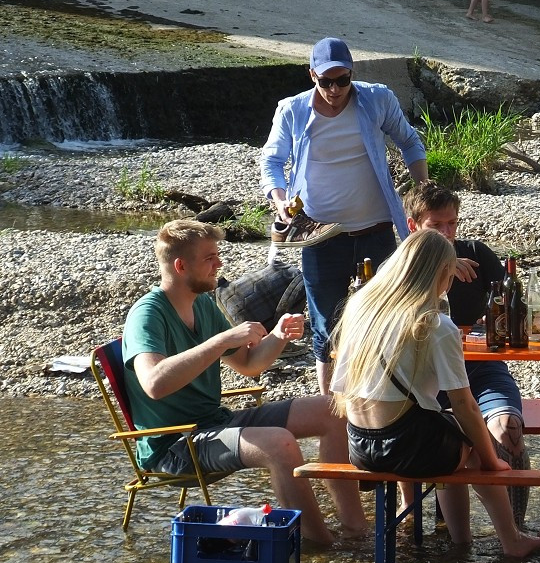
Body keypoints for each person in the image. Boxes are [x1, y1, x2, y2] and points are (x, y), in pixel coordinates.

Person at [122, 220, 367, 545]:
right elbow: (154, 383)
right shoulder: (148, 314)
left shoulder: (203, 304)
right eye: (210, 257)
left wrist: (278, 334)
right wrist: (220, 341)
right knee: (279, 444)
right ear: (181, 266)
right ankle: (321, 545)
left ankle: (356, 532)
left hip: (214, 423)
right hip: (175, 445)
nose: (219, 264)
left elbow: (250, 365)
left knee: (334, 409)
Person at [330, 228, 540, 558]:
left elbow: (341, 390)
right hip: (407, 449)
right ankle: (510, 540)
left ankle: (458, 543)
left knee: (448, 435)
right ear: (443, 274)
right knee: (476, 450)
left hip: (360, 446)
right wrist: (492, 460)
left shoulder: (360, 311)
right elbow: (464, 404)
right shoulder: (433, 324)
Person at [259, 36, 428, 396]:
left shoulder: (377, 98)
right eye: (326, 81)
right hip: (319, 235)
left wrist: (423, 189)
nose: (334, 89)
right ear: (312, 76)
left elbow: (410, 141)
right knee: (324, 325)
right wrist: (280, 201)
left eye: (342, 80)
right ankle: (330, 409)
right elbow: (272, 160)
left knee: (383, 316)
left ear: (352, 74)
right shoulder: (292, 110)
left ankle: (380, 397)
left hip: (377, 228)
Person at [403, 182, 531, 527]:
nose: (447, 233)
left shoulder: (476, 251)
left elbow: (517, 307)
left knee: (511, 431)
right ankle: (422, 525)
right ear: (413, 226)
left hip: (479, 369)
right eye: (437, 226)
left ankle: (515, 532)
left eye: (452, 224)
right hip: (422, 380)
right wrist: (437, 267)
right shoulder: (400, 267)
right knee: (434, 443)